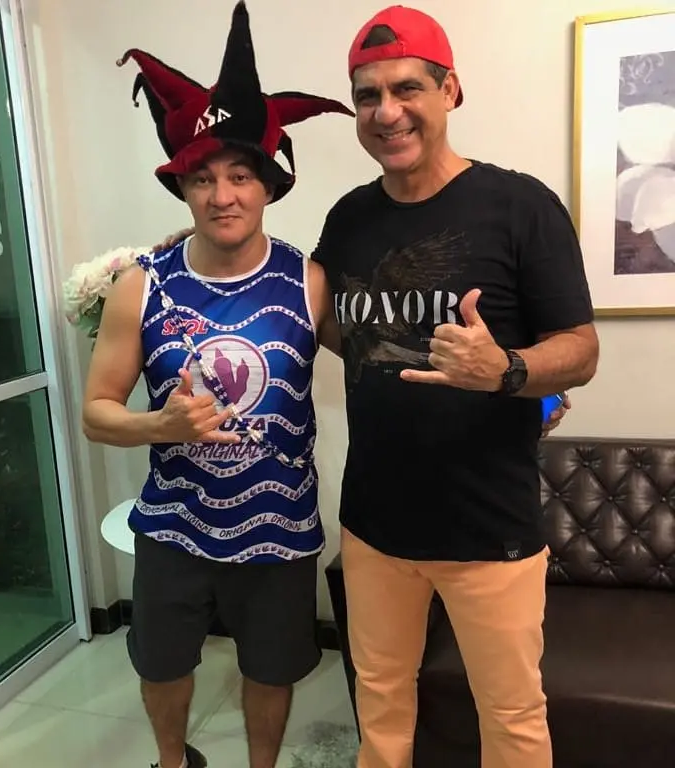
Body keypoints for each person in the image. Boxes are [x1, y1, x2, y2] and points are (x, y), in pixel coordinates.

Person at [159, 6, 594, 768]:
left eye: (406, 89)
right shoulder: (351, 219)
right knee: (381, 704)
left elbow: (581, 349)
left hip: (488, 530)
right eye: (368, 95)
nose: (387, 112)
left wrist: (511, 371)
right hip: (373, 528)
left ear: (450, 90)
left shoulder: (520, 206)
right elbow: (316, 317)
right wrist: (194, 262)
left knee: (512, 717)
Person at [80, 4, 352, 768]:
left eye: (238, 175)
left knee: (272, 670)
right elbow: (96, 413)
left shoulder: (309, 281)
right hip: (174, 526)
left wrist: (517, 384)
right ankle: (174, 761)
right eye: (202, 178)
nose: (221, 194)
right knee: (161, 664)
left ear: (266, 186)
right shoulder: (142, 285)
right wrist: (159, 427)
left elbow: (385, 367)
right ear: (184, 189)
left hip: (280, 527)